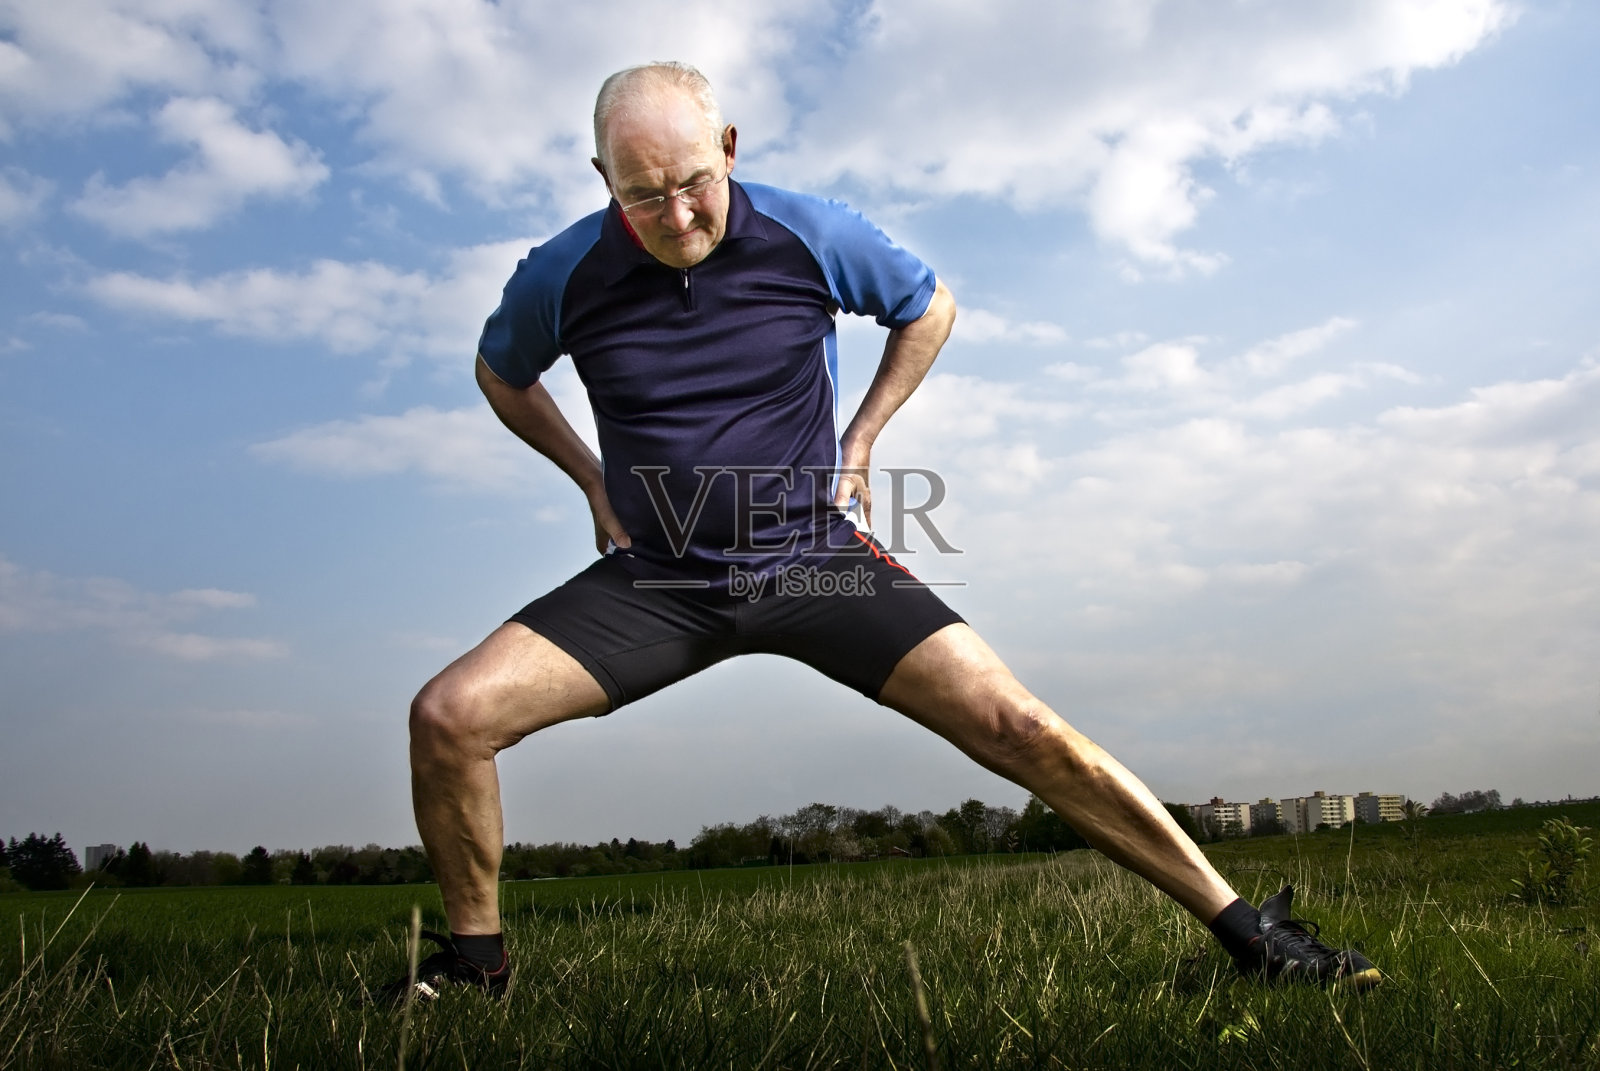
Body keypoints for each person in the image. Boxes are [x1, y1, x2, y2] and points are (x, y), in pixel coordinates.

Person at [378, 62, 1380, 1003]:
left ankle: (1255, 939)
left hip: (814, 563)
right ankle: (475, 967)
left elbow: (927, 306)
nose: (676, 217)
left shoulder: (809, 234)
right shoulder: (562, 275)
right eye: (643, 196)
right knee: (449, 717)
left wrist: (860, 440)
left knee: (1022, 728)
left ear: (728, 147)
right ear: (604, 180)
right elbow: (502, 374)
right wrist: (593, 480)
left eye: (693, 184)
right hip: (661, 580)